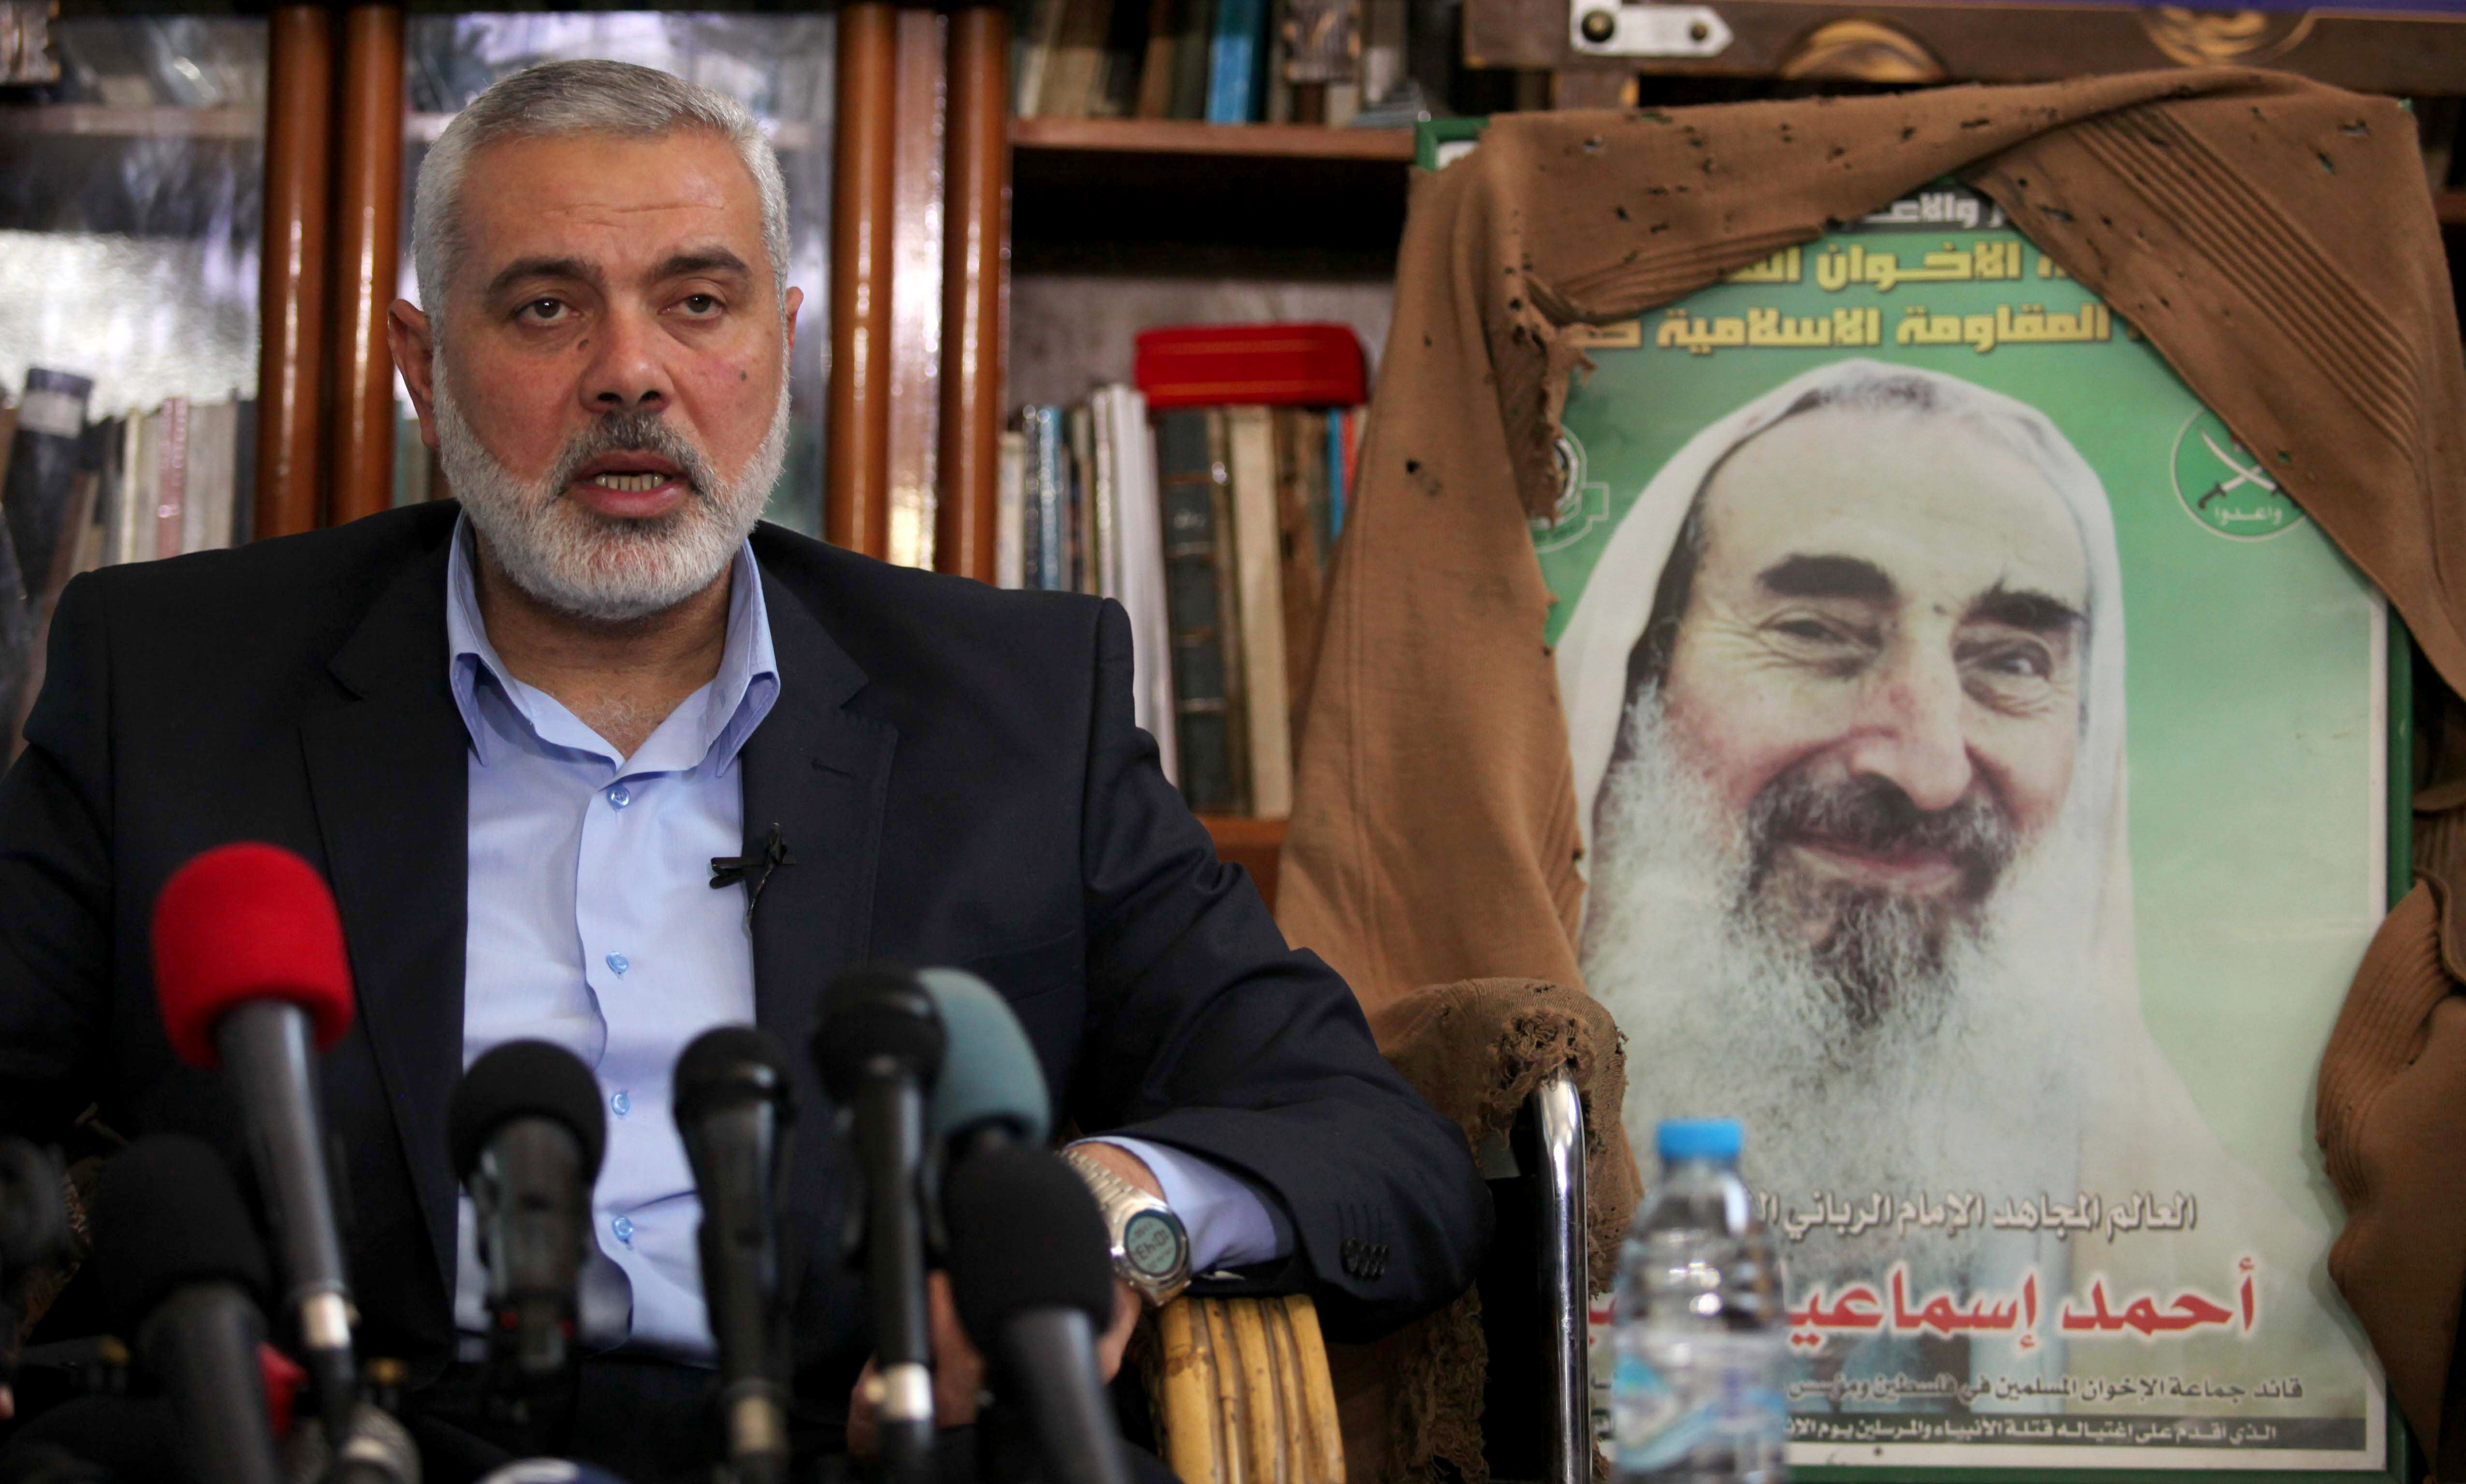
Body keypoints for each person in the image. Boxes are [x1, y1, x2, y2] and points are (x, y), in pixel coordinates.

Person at [0, 60, 1487, 1481]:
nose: (629, 375)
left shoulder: (1021, 705)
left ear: (778, 342)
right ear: (418, 364)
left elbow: (1366, 1143)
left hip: (867, 1449)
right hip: (351, 1445)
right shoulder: (177, 681)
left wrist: (1120, 1216)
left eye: (694, 303)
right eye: (544, 307)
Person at [1554, 359, 2370, 1417]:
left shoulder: (2250, 1302)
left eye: (2010, 660)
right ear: (1636, 692)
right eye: (1814, 633)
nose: (1928, 764)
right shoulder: (1461, 1219)